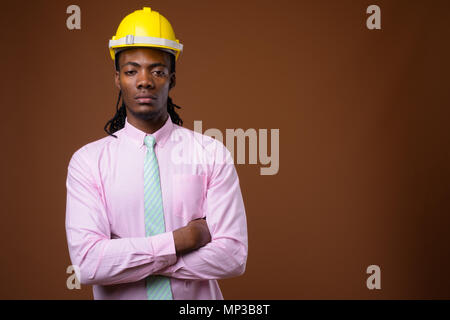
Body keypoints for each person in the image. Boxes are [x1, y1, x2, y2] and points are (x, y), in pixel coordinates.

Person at [65, 7, 248, 300]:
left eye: (158, 71)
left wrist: (128, 259)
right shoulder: (87, 163)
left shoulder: (210, 153)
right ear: (117, 79)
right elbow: (89, 265)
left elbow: (233, 256)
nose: (144, 81)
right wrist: (185, 239)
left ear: (172, 79)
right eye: (131, 70)